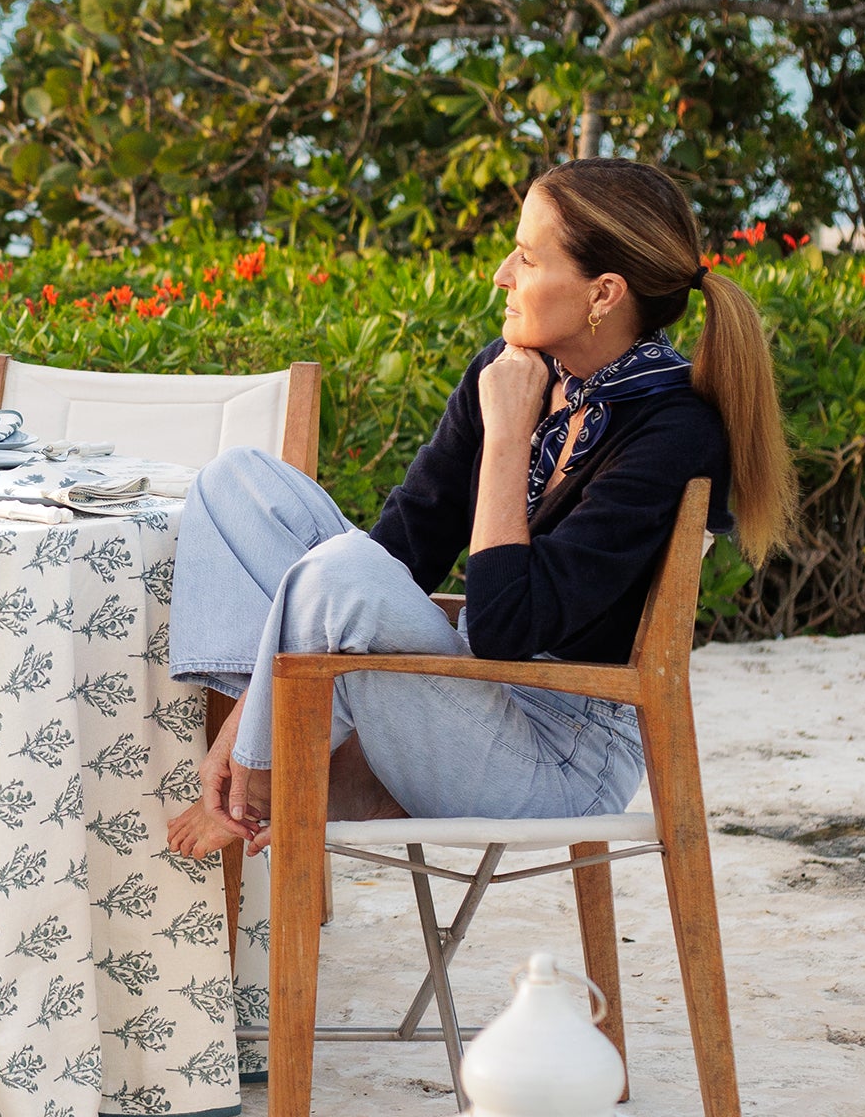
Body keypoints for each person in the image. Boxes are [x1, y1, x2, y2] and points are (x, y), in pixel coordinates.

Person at [166, 158, 797, 861]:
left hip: (557, 755)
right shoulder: (510, 369)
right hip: (460, 697)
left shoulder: (675, 432)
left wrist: (507, 435)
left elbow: (504, 630)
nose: (501, 274)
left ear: (604, 293)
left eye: (527, 258)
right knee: (238, 484)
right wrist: (254, 711)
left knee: (339, 574)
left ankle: (260, 781)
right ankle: (316, 765)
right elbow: (404, 551)